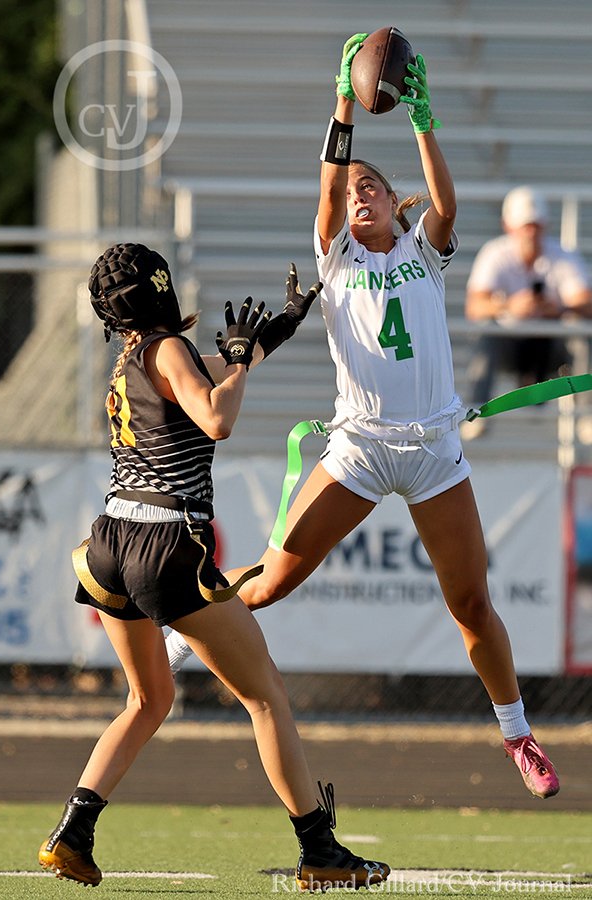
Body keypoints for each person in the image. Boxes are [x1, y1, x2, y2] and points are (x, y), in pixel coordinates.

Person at [166, 36, 560, 802]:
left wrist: (420, 116)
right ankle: (182, 632)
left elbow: (446, 205)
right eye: (351, 191)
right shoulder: (337, 256)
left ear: (389, 197)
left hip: (435, 451)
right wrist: (343, 104)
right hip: (361, 448)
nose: (359, 195)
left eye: (371, 187)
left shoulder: (423, 250)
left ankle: (517, 733)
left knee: (472, 604)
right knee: (274, 581)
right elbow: (327, 187)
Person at [37, 242, 390, 892]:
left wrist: (270, 336)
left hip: (112, 541)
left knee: (149, 698)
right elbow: (217, 415)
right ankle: (319, 850)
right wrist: (238, 367)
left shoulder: (130, 358)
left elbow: (213, 372)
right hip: (166, 545)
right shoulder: (166, 347)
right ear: (159, 288)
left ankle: (74, 832)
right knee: (264, 696)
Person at [463, 185, 592, 436]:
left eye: (535, 226)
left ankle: (587, 415)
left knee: (579, 335)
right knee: (486, 334)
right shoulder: (496, 254)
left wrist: (556, 309)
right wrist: (511, 306)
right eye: (525, 226)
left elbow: (585, 302)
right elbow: (474, 307)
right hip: (511, 344)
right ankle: (478, 412)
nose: (530, 234)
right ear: (508, 226)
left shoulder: (561, 255)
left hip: (553, 346)